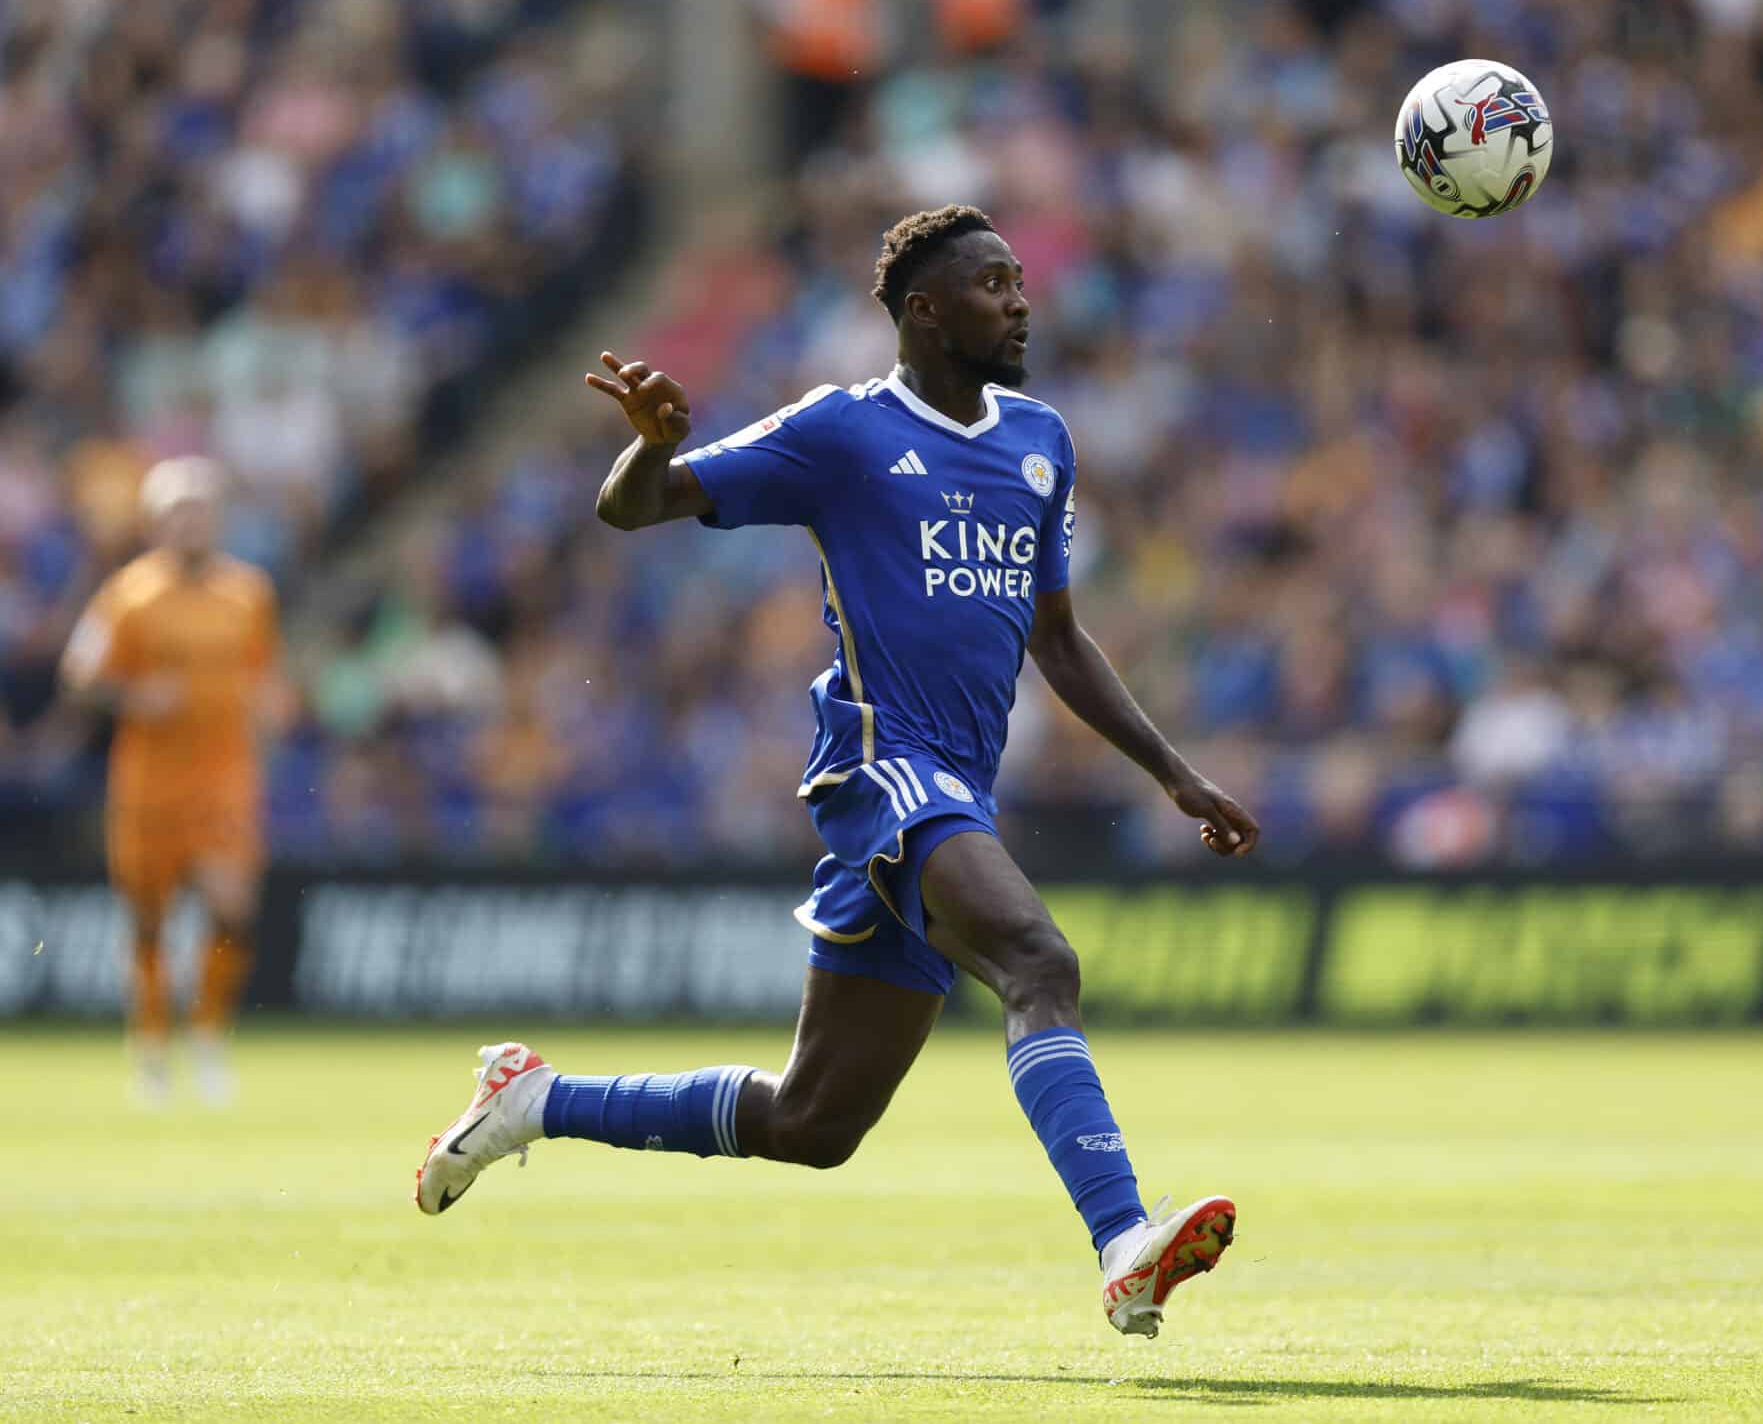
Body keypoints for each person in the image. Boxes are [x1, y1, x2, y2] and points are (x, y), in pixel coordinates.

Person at [415, 205, 1261, 1337]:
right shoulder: (843, 430)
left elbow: (1057, 637)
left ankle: (533, 1099)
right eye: (993, 284)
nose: (1021, 301)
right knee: (1038, 959)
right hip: (880, 766)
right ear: (924, 310)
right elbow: (634, 508)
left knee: (812, 1122)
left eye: (1020, 280)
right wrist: (653, 443)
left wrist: (1172, 772)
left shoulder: (1040, 440)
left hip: (955, 788)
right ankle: (1123, 1242)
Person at [61, 457, 284, 1105]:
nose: (192, 522)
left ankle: (208, 1034)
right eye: (179, 511)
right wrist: (134, 695)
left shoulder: (249, 593)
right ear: (156, 521)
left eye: (202, 510)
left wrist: (269, 713)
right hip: (148, 783)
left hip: (224, 778)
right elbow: (79, 676)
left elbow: (263, 674)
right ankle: (152, 1043)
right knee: (149, 920)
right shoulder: (128, 595)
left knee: (232, 908)